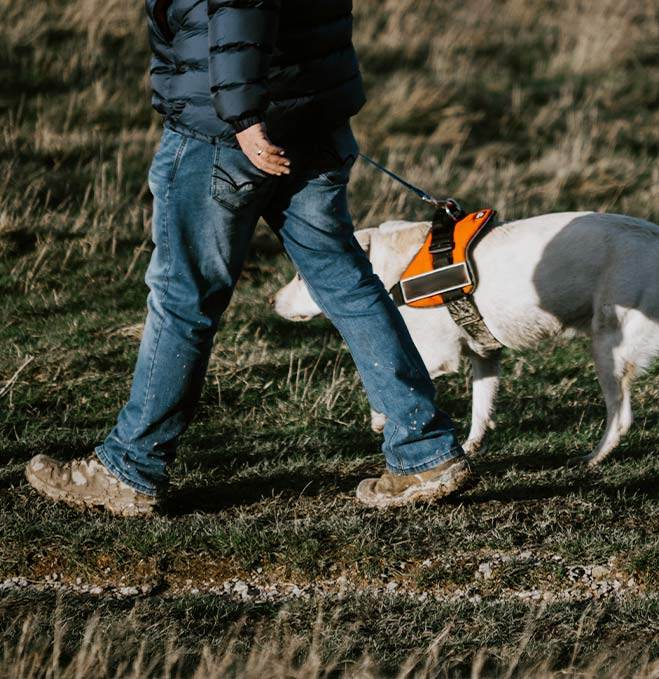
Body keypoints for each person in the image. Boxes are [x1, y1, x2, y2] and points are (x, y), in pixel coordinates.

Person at [25, 0, 474, 515]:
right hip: (313, 122)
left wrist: (244, 117)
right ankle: (424, 452)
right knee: (348, 284)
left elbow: (241, 7)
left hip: (227, 136)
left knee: (183, 300)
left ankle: (130, 467)